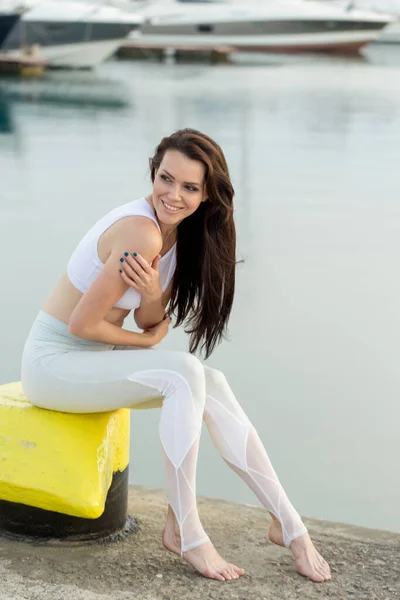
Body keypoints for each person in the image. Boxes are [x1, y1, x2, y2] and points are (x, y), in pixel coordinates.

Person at [21, 128, 331, 583]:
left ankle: (289, 525)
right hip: (54, 366)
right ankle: (185, 529)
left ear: (207, 195)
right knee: (184, 373)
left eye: (189, 187)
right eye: (166, 179)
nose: (173, 194)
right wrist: (148, 344)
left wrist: (150, 301)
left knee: (213, 382)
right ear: (154, 173)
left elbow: (150, 319)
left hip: (90, 362)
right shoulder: (140, 232)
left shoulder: (173, 237)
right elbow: (83, 326)